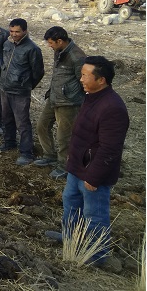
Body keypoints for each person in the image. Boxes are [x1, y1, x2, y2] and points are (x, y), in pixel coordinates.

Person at [49, 56, 128, 271]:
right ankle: (70, 239)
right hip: (77, 167)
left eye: (85, 75)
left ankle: (97, 255)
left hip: (93, 173)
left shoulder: (112, 107)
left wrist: (93, 177)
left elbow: (110, 149)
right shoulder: (91, 97)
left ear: (101, 80)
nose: (81, 79)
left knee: (95, 214)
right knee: (71, 204)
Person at [34, 26, 86, 179]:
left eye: (51, 43)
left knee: (64, 136)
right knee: (42, 125)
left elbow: (83, 81)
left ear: (60, 41)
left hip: (68, 103)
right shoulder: (59, 51)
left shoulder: (77, 56)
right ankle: (49, 155)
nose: (49, 46)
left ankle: (65, 166)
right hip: (54, 97)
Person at [0, 18, 45, 165]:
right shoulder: (7, 44)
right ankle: (9, 142)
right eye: (11, 31)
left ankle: (26, 152)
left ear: (25, 31)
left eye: (17, 31)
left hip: (20, 92)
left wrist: (26, 85)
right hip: (5, 88)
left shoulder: (32, 49)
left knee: (22, 123)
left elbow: (38, 72)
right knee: (6, 118)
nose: (14, 34)